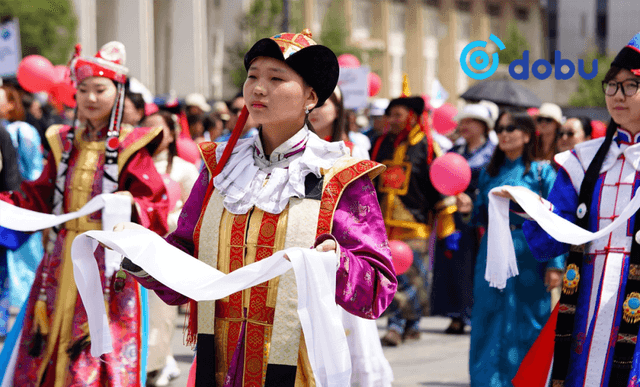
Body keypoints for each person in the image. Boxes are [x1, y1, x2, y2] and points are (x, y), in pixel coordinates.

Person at [121, 29, 397, 387]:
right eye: (252, 76)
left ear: (310, 97)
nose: (258, 88)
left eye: (276, 78)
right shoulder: (218, 168)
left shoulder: (338, 176)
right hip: (219, 359)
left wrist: (337, 262)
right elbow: (186, 258)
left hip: (301, 363)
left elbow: (377, 288)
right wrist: (144, 254)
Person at [0, 41, 169, 386]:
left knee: (96, 345)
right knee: (46, 342)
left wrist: (128, 205)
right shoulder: (63, 140)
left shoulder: (133, 144)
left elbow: (154, 202)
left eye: (100, 89)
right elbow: (39, 196)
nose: (90, 98)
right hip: (60, 259)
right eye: (83, 89)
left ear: (118, 92)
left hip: (106, 263)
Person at [512, 31, 640, 387]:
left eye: (631, 86)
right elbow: (553, 237)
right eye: (612, 85)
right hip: (586, 293)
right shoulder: (581, 161)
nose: (618, 95)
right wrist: (532, 209)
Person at [469, 112, 564, 387]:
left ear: (526, 135)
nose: (504, 134)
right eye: (500, 129)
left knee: (529, 315)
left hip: (529, 250)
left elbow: (553, 218)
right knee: (488, 312)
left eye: (511, 128)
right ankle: (487, 380)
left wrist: (556, 263)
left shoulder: (541, 171)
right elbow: (478, 217)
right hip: (492, 249)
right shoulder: (489, 173)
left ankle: (527, 379)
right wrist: (465, 208)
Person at [371, 83, 457, 347]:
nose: (392, 120)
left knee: (413, 277)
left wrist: (447, 225)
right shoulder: (381, 145)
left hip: (416, 223)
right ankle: (397, 325)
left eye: (398, 115)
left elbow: (440, 184)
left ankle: (412, 322)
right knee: (391, 275)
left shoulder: (428, 146)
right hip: (385, 224)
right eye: (390, 115)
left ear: (410, 116)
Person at [142, 110, 199, 386]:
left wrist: (164, 221)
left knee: (160, 314)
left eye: (158, 129)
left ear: (173, 133)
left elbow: (193, 214)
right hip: (134, 249)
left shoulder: (184, 170)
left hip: (166, 247)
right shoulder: (134, 166)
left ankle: (155, 365)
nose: (152, 134)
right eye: (146, 128)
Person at [430, 102, 497, 334]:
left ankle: (476, 314)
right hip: (453, 218)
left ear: (483, 126)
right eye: (463, 121)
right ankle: (456, 313)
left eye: (470, 121)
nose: (464, 126)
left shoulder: (493, 153)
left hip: (480, 219)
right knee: (453, 265)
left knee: (476, 266)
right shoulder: (454, 151)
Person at [0, 85, 45, 318]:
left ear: (11, 104)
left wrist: (26, 200)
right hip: (13, 202)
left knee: (22, 263)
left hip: (19, 203)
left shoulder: (21, 130)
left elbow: (34, 169)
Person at [309, 86, 369, 159]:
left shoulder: (353, 152)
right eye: (310, 104)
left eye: (321, 104)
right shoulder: (297, 150)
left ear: (337, 110)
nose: (313, 111)